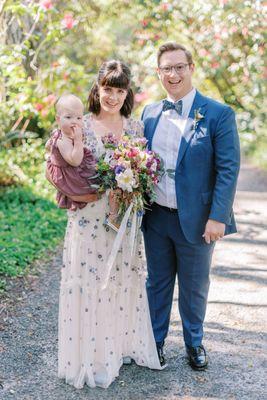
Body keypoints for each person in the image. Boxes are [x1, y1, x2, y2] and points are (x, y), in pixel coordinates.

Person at [50, 60, 162, 390]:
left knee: (119, 278)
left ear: (127, 94)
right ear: (97, 90)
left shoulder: (135, 128)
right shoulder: (79, 124)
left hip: (122, 219)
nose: (112, 97)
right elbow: (57, 164)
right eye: (107, 89)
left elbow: (143, 171)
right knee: (89, 281)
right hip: (88, 219)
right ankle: (90, 356)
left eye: (119, 90)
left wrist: (133, 181)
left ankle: (118, 348)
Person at [141, 42, 240, 370]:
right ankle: (153, 342)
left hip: (198, 220)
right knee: (157, 282)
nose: (173, 74)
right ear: (159, 73)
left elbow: (228, 169)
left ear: (191, 68)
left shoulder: (217, 114)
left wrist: (218, 217)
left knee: (194, 285)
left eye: (179, 67)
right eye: (166, 68)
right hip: (156, 216)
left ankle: (194, 343)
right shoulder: (150, 113)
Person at [46, 94, 98, 211]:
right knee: (90, 187)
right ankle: (81, 197)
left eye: (78, 118)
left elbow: (47, 145)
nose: (74, 122)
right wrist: (78, 141)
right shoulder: (63, 141)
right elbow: (75, 161)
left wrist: (51, 150)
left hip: (71, 168)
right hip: (69, 176)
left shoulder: (60, 133)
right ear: (58, 119)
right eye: (69, 117)